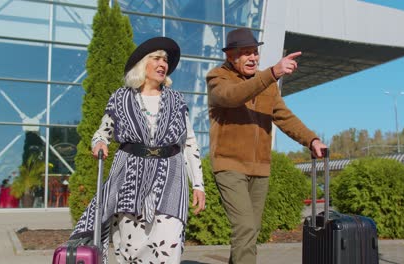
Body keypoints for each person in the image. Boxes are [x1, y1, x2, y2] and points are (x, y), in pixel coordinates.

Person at [70, 37, 206, 264]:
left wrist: (198, 184)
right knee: (131, 250)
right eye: (157, 58)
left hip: (171, 176)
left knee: (169, 243)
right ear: (143, 63)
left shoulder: (176, 100)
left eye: (165, 60)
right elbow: (101, 132)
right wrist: (99, 143)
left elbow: (189, 142)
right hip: (129, 177)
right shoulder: (121, 98)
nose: (163, 63)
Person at [206, 28, 327, 264]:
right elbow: (233, 96)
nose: (253, 58)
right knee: (244, 228)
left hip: (260, 167)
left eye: (255, 52)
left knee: (251, 231)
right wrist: (272, 73)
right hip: (229, 165)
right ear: (231, 56)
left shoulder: (267, 85)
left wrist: (311, 140)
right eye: (246, 53)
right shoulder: (217, 78)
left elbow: (284, 117)